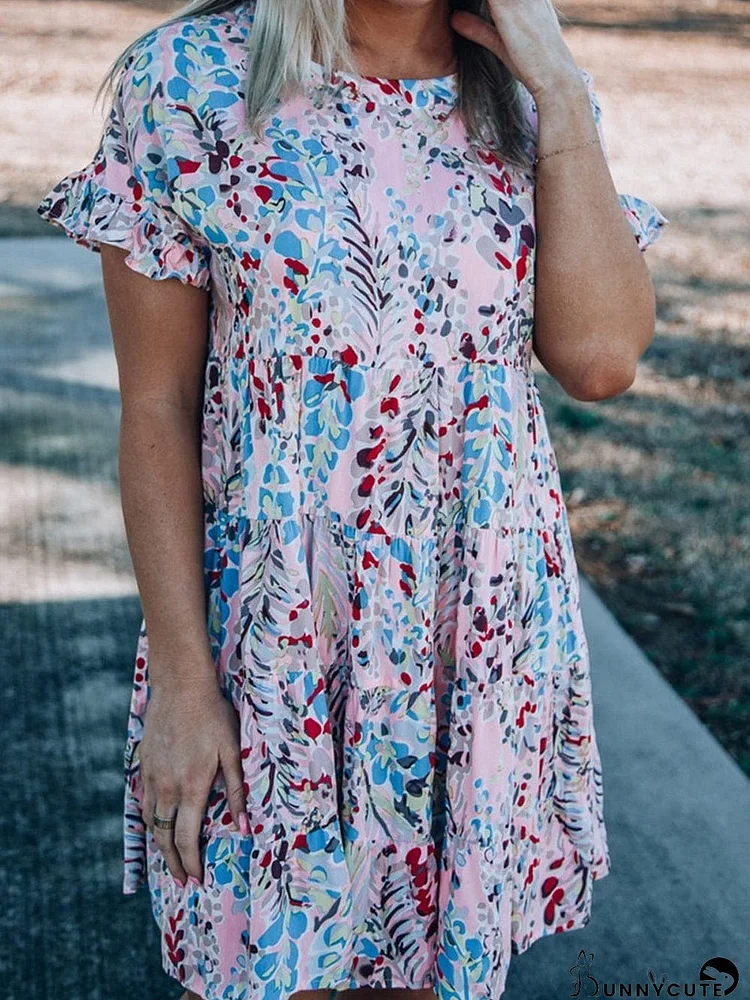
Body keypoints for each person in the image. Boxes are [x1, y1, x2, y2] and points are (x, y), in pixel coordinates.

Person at [37, 1, 668, 998]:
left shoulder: (527, 85)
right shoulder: (193, 80)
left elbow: (599, 358)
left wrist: (555, 86)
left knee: (437, 972)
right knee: (278, 965)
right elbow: (155, 408)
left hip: (474, 641)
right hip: (279, 650)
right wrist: (185, 685)